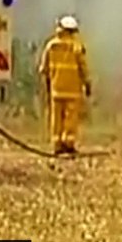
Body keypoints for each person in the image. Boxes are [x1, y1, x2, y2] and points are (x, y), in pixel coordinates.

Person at [38, 14, 92, 156]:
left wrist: (47, 85)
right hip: (73, 91)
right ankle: (68, 144)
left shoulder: (51, 45)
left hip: (56, 89)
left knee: (56, 118)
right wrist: (87, 84)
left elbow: (44, 69)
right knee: (70, 118)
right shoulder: (77, 47)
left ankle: (57, 145)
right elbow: (83, 68)